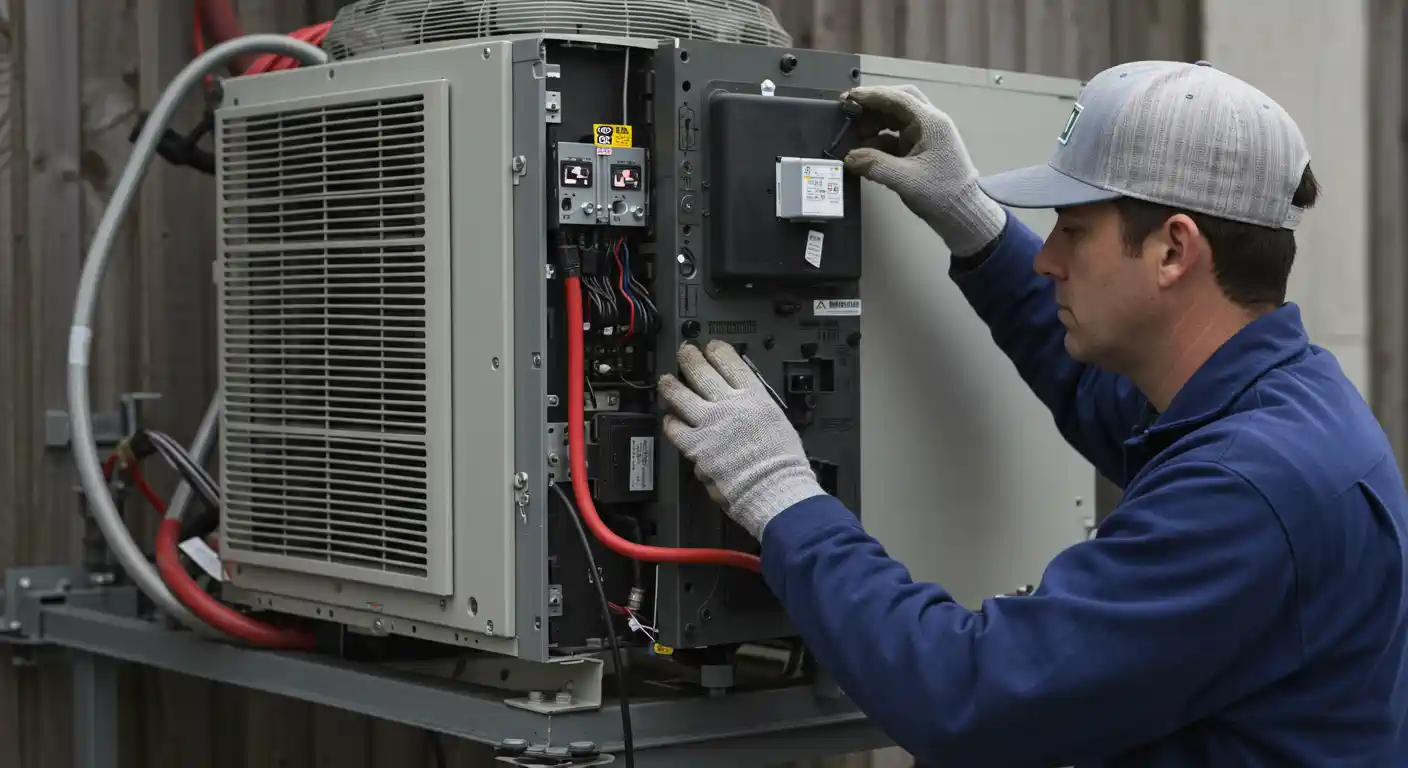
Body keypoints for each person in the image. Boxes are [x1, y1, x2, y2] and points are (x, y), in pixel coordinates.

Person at [656, 60, 1408, 766]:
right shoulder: (1282, 398)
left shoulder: (1248, 488)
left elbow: (967, 695)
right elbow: (1099, 398)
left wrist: (779, 495)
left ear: (1174, 250)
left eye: (1073, 231)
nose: (1048, 260)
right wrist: (973, 225)